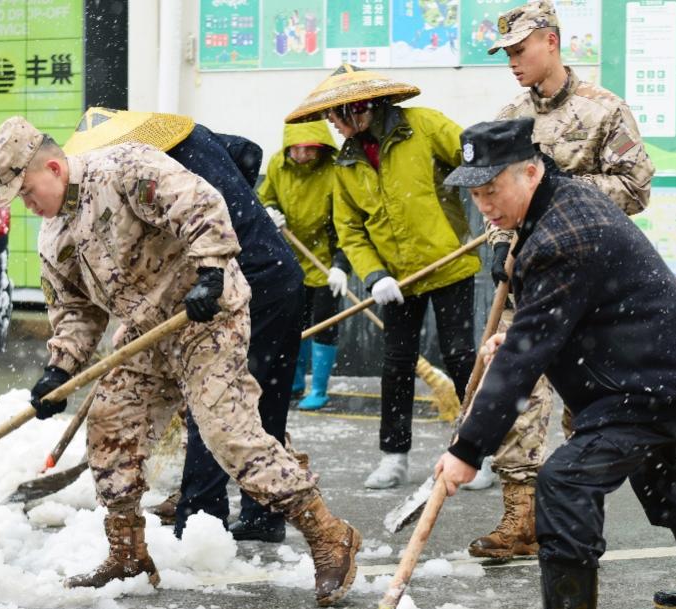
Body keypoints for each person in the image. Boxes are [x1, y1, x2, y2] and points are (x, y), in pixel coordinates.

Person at [0, 116, 361, 606]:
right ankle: (128, 551)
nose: (29, 206)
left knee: (228, 433)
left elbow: (199, 204)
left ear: (53, 167)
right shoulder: (55, 237)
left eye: (28, 192)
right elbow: (75, 311)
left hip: (205, 319)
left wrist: (210, 269)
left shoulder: (123, 169)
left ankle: (329, 534)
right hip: (146, 334)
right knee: (110, 421)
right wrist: (61, 368)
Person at [436, 119, 676, 609]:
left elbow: (525, 361)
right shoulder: (555, 204)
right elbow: (566, 312)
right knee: (653, 468)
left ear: (529, 172)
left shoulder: (562, 234)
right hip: (663, 365)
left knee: (567, 478)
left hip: (652, 380)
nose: (485, 208)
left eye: (491, 191)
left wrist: (466, 451)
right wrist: (527, 329)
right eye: (475, 195)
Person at [467, 0, 657, 561]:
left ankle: (577, 513)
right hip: (525, 269)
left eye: (520, 50)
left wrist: (557, 192)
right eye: (505, 54)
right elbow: (490, 196)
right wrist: (504, 245)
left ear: (551, 41)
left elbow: (637, 187)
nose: (512, 62)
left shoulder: (604, 111)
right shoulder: (508, 119)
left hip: (594, 280)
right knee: (515, 385)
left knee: (587, 396)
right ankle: (519, 516)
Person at [64, 109, 302, 544]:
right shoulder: (193, 137)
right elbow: (248, 154)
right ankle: (264, 515)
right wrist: (245, 211)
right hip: (281, 273)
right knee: (262, 401)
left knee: (214, 400)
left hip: (235, 280)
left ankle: (200, 517)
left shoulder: (147, 167)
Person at [286, 64, 480, 490]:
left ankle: (477, 452)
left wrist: (488, 207)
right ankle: (395, 456)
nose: (333, 128)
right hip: (395, 280)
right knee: (395, 365)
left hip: (449, 263)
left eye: (336, 118)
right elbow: (351, 229)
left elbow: (476, 160)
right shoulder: (347, 163)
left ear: (360, 107)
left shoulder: (424, 127)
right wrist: (373, 276)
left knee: (461, 355)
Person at [257, 120, 351, 412]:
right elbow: (265, 197)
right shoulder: (277, 164)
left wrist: (341, 264)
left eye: (309, 150)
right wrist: (270, 212)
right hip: (290, 259)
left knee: (323, 324)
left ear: (320, 148)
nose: (302, 156)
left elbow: (347, 222)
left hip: (325, 261)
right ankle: (294, 382)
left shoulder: (335, 170)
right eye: (296, 149)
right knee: (291, 323)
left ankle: (319, 389)